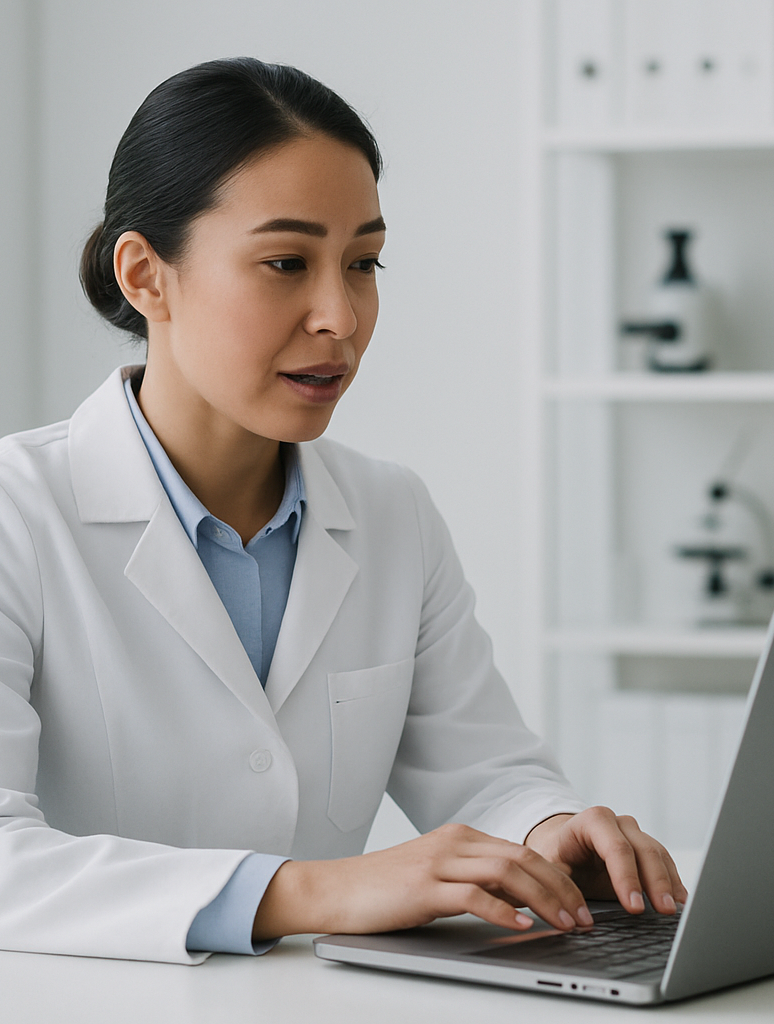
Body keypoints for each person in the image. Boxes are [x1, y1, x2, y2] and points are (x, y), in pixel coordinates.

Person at [0, 58, 686, 964]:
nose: (341, 316)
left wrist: (548, 830)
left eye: (362, 264)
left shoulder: (392, 512)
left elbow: (484, 771)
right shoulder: (18, 512)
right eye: (286, 263)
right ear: (145, 276)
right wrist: (315, 890)